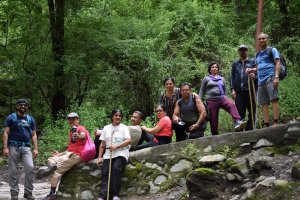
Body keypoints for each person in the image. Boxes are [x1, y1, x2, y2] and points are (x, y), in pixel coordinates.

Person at [37, 112, 88, 200]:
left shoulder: (80, 128)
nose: (71, 121)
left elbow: (83, 136)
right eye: (69, 119)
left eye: (73, 119)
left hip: (77, 155)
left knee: (56, 173)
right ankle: (51, 167)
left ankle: (52, 195)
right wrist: (59, 154)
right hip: (70, 153)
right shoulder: (71, 131)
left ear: (77, 119)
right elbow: (70, 148)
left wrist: (78, 136)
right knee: (51, 159)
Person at [3, 99, 38, 200]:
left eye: (25, 105)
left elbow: (34, 135)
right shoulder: (11, 118)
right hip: (13, 146)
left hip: (26, 147)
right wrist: (5, 147)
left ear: (27, 107)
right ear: (17, 106)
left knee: (30, 168)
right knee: (13, 171)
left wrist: (36, 148)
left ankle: (28, 193)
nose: (23, 106)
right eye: (20, 105)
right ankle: (14, 194)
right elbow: (6, 132)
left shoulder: (30, 119)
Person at [199, 62, 246, 135]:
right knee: (213, 120)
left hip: (222, 98)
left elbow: (225, 91)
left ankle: (237, 121)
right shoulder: (206, 78)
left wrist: (227, 98)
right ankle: (215, 136)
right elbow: (202, 90)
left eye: (216, 67)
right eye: (212, 67)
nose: (214, 68)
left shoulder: (222, 79)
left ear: (218, 69)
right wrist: (199, 101)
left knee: (231, 105)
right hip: (212, 100)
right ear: (210, 70)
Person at [246, 33, 281, 127]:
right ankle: (266, 124)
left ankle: (275, 122)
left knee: (274, 99)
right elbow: (257, 68)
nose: (261, 40)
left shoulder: (272, 50)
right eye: (259, 39)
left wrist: (276, 77)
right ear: (257, 41)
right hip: (260, 81)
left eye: (263, 39)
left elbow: (278, 63)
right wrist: (252, 71)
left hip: (271, 77)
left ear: (267, 40)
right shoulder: (257, 55)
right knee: (263, 103)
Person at [96, 109, 131, 200]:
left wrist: (117, 146)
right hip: (108, 154)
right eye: (116, 115)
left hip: (121, 153)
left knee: (115, 169)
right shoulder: (106, 128)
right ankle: (103, 196)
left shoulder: (124, 127)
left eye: (120, 116)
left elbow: (128, 140)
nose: (118, 117)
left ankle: (115, 195)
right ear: (112, 116)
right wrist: (99, 157)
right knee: (105, 172)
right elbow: (102, 144)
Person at [230, 45, 257, 131]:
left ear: (247, 51)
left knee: (252, 111)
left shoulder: (252, 61)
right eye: (241, 50)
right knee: (239, 113)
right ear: (239, 52)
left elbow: (257, 72)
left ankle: (250, 130)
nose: (242, 51)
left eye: (244, 50)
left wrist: (254, 76)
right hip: (239, 91)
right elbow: (232, 77)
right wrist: (232, 89)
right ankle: (240, 133)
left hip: (250, 90)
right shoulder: (235, 63)